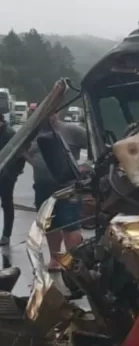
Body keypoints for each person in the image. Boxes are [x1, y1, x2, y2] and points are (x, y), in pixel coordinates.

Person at [26, 113, 88, 271]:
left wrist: (85, 166)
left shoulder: (72, 130)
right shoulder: (31, 134)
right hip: (42, 188)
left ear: (58, 113)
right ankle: (55, 259)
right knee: (50, 225)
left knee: (70, 225)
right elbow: (21, 151)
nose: (48, 116)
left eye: (52, 112)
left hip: (68, 187)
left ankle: (74, 263)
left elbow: (94, 145)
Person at [0, 112, 26, 268]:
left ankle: (6, 234)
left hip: (6, 177)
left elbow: (20, 155)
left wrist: (13, 174)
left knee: (7, 204)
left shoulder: (10, 134)